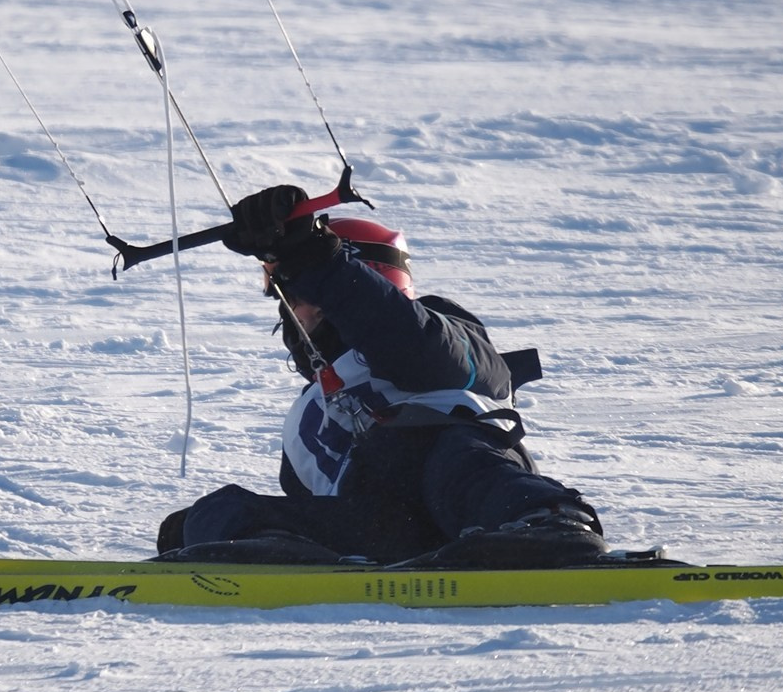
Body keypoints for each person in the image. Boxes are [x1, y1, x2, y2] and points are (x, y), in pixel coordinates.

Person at [155, 184, 608, 568]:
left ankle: (551, 525)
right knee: (217, 510)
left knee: (458, 452)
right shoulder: (309, 413)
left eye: (299, 293)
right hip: (384, 531)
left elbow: (406, 338)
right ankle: (267, 559)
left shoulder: (445, 333)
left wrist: (318, 263)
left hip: (475, 500)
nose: (292, 311)